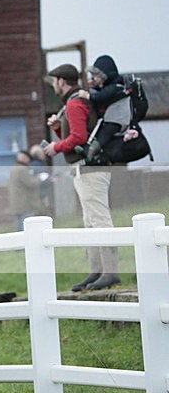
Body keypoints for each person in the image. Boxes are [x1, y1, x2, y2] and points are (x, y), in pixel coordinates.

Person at [43, 64, 120, 291]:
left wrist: (56, 146)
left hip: (91, 170)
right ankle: (97, 271)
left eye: (55, 81)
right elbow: (77, 137)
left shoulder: (75, 103)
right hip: (88, 168)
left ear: (61, 81)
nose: (54, 85)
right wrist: (59, 130)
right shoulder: (75, 101)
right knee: (90, 222)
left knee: (99, 219)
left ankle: (110, 272)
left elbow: (78, 138)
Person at [78, 55, 133, 165]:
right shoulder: (114, 85)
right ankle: (88, 150)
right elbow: (104, 91)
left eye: (97, 76)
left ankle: (92, 150)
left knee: (104, 135)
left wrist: (88, 95)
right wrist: (95, 87)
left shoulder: (116, 86)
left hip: (117, 120)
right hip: (112, 117)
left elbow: (103, 96)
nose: (95, 79)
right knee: (98, 133)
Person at [8, 150, 42, 231]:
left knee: (19, 225)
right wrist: (39, 178)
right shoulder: (22, 169)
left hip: (18, 203)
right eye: (28, 159)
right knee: (27, 227)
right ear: (24, 158)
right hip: (25, 203)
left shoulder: (14, 168)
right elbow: (31, 183)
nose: (29, 161)